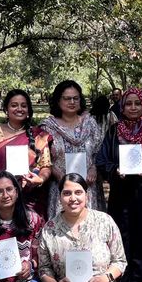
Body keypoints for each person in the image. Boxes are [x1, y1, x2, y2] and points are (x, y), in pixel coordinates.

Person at [96, 87, 142, 282]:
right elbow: (102, 160)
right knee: (123, 244)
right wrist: (115, 170)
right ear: (122, 107)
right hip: (121, 196)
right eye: (128, 104)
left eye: (137, 103)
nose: (132, 107)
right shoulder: (114, 131)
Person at [0, 89, 52, 218]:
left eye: (23, 105)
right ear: (6, 109)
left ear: (28, 110)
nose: (19, 109)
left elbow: (46, 165)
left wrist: (40, 179)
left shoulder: (38, 135)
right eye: (14, 105)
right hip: (2, 196)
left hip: (31, 198)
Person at [41, 80, 104, 219]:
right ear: (58, 101)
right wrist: (58, 174)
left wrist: (94, 168)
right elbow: (43, 159)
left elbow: (99, 151)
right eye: (67, 98)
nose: (72, 102)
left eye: (76, 98)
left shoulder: (90, 123)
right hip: (61, 187)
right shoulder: (47, 127)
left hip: (88, 187)